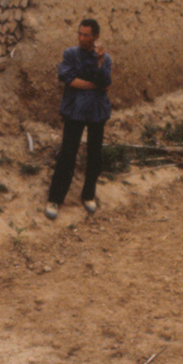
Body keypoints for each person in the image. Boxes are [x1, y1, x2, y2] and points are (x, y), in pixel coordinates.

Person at [45, 19, 112, 220]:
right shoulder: (70, 54)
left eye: (86, 35)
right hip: (75, 110)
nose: (82, 38)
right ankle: (55, 199)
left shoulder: (105, 58)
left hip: (96, 111)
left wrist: (99, 63)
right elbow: (69, 79)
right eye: (80, 34)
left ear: (96, 37)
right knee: (68, 153)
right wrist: (94, 85)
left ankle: (89, 195)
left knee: (95, 154)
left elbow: (106, 83)